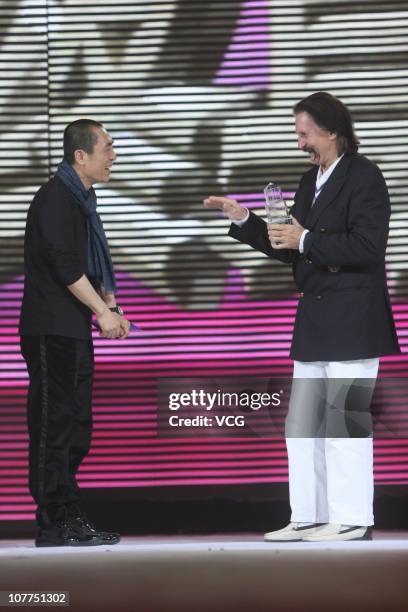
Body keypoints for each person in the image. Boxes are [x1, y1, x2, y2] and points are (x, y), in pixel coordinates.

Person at [204, 91, 400, 542]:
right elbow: (287, 244)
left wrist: (307, 239)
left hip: (353, 317)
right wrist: (245, 219)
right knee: (303, 426)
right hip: (314, 318)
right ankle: (308, 515)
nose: (300, 143)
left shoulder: (365, 177)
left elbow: (368, 247)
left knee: (345, 422)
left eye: (304, 133)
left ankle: (351, 518)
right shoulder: (311, 179)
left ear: (331, 130)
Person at [19, 119, 131, 547]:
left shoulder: (83, 200)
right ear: (80, 155)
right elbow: (66, 266)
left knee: (77, 425)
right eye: (108, 148)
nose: (114, 156)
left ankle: (69, 513)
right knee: (54, 426)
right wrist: (103, 311)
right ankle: (52, 520)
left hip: (73, 330)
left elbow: (91, 263)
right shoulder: (55, 199)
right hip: (50, 330)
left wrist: (113, 308)